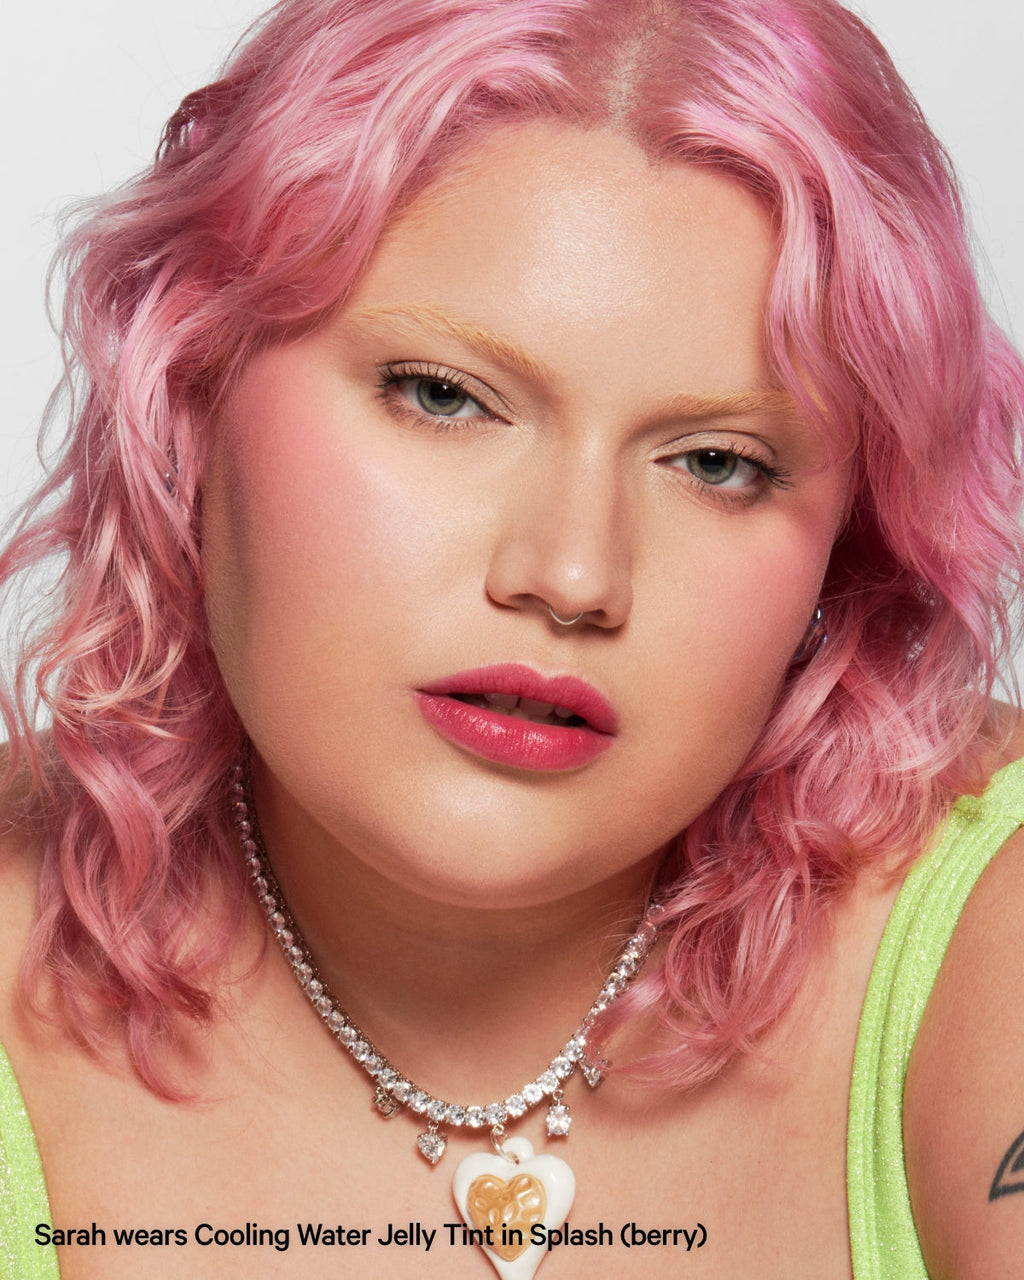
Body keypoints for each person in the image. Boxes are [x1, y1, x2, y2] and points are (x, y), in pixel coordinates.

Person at [1, 0, 1022, 1276]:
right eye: (444, 395)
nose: (572, 576)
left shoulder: (988, 922)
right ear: (190, 387)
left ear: (848, 542)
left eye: (716, 462)